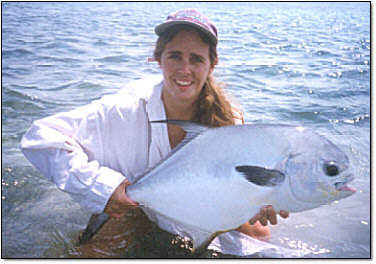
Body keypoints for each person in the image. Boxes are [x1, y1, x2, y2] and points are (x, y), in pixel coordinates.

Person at [21, 9, 289, 257]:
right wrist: (104, 188)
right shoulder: (124, 108)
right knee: (94, 253)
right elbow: (42, 137)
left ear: (212, 64)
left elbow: (238, 181)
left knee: (258, 233)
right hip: (133, 207)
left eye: (196, 59)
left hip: (193, 204)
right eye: (175, 56)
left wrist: (259, 200)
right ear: (157, 58)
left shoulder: (229, 118)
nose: (185, 69)